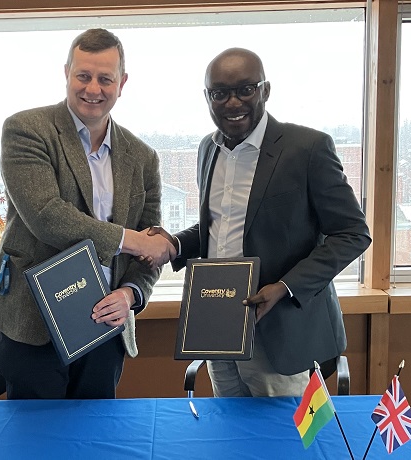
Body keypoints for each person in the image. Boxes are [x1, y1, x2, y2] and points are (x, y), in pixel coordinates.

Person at [151, 48, 371, 397]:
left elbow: (353, 234)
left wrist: (284, 287)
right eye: (220, 93)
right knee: (232, 434)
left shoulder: (308, 148)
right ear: (207, 97)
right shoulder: (208, 149)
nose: (233, 102)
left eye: (245, 89)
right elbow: (220, 228)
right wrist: (174, 245)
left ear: (265, 91)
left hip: (283, 330)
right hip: (221, 329)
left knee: (287, 443)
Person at [0, 29, 174, 399]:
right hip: (33, 323)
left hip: (103, 322)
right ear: (66, 72)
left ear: (122, 83)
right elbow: (46, 215)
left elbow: (151, 247)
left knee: (96, 438)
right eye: (83, 76)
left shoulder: (143, 158)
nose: (93, 89)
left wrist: (131, 295)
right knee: (36, 442)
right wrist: (130, 241)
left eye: (105, 79)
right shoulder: (26, 130)